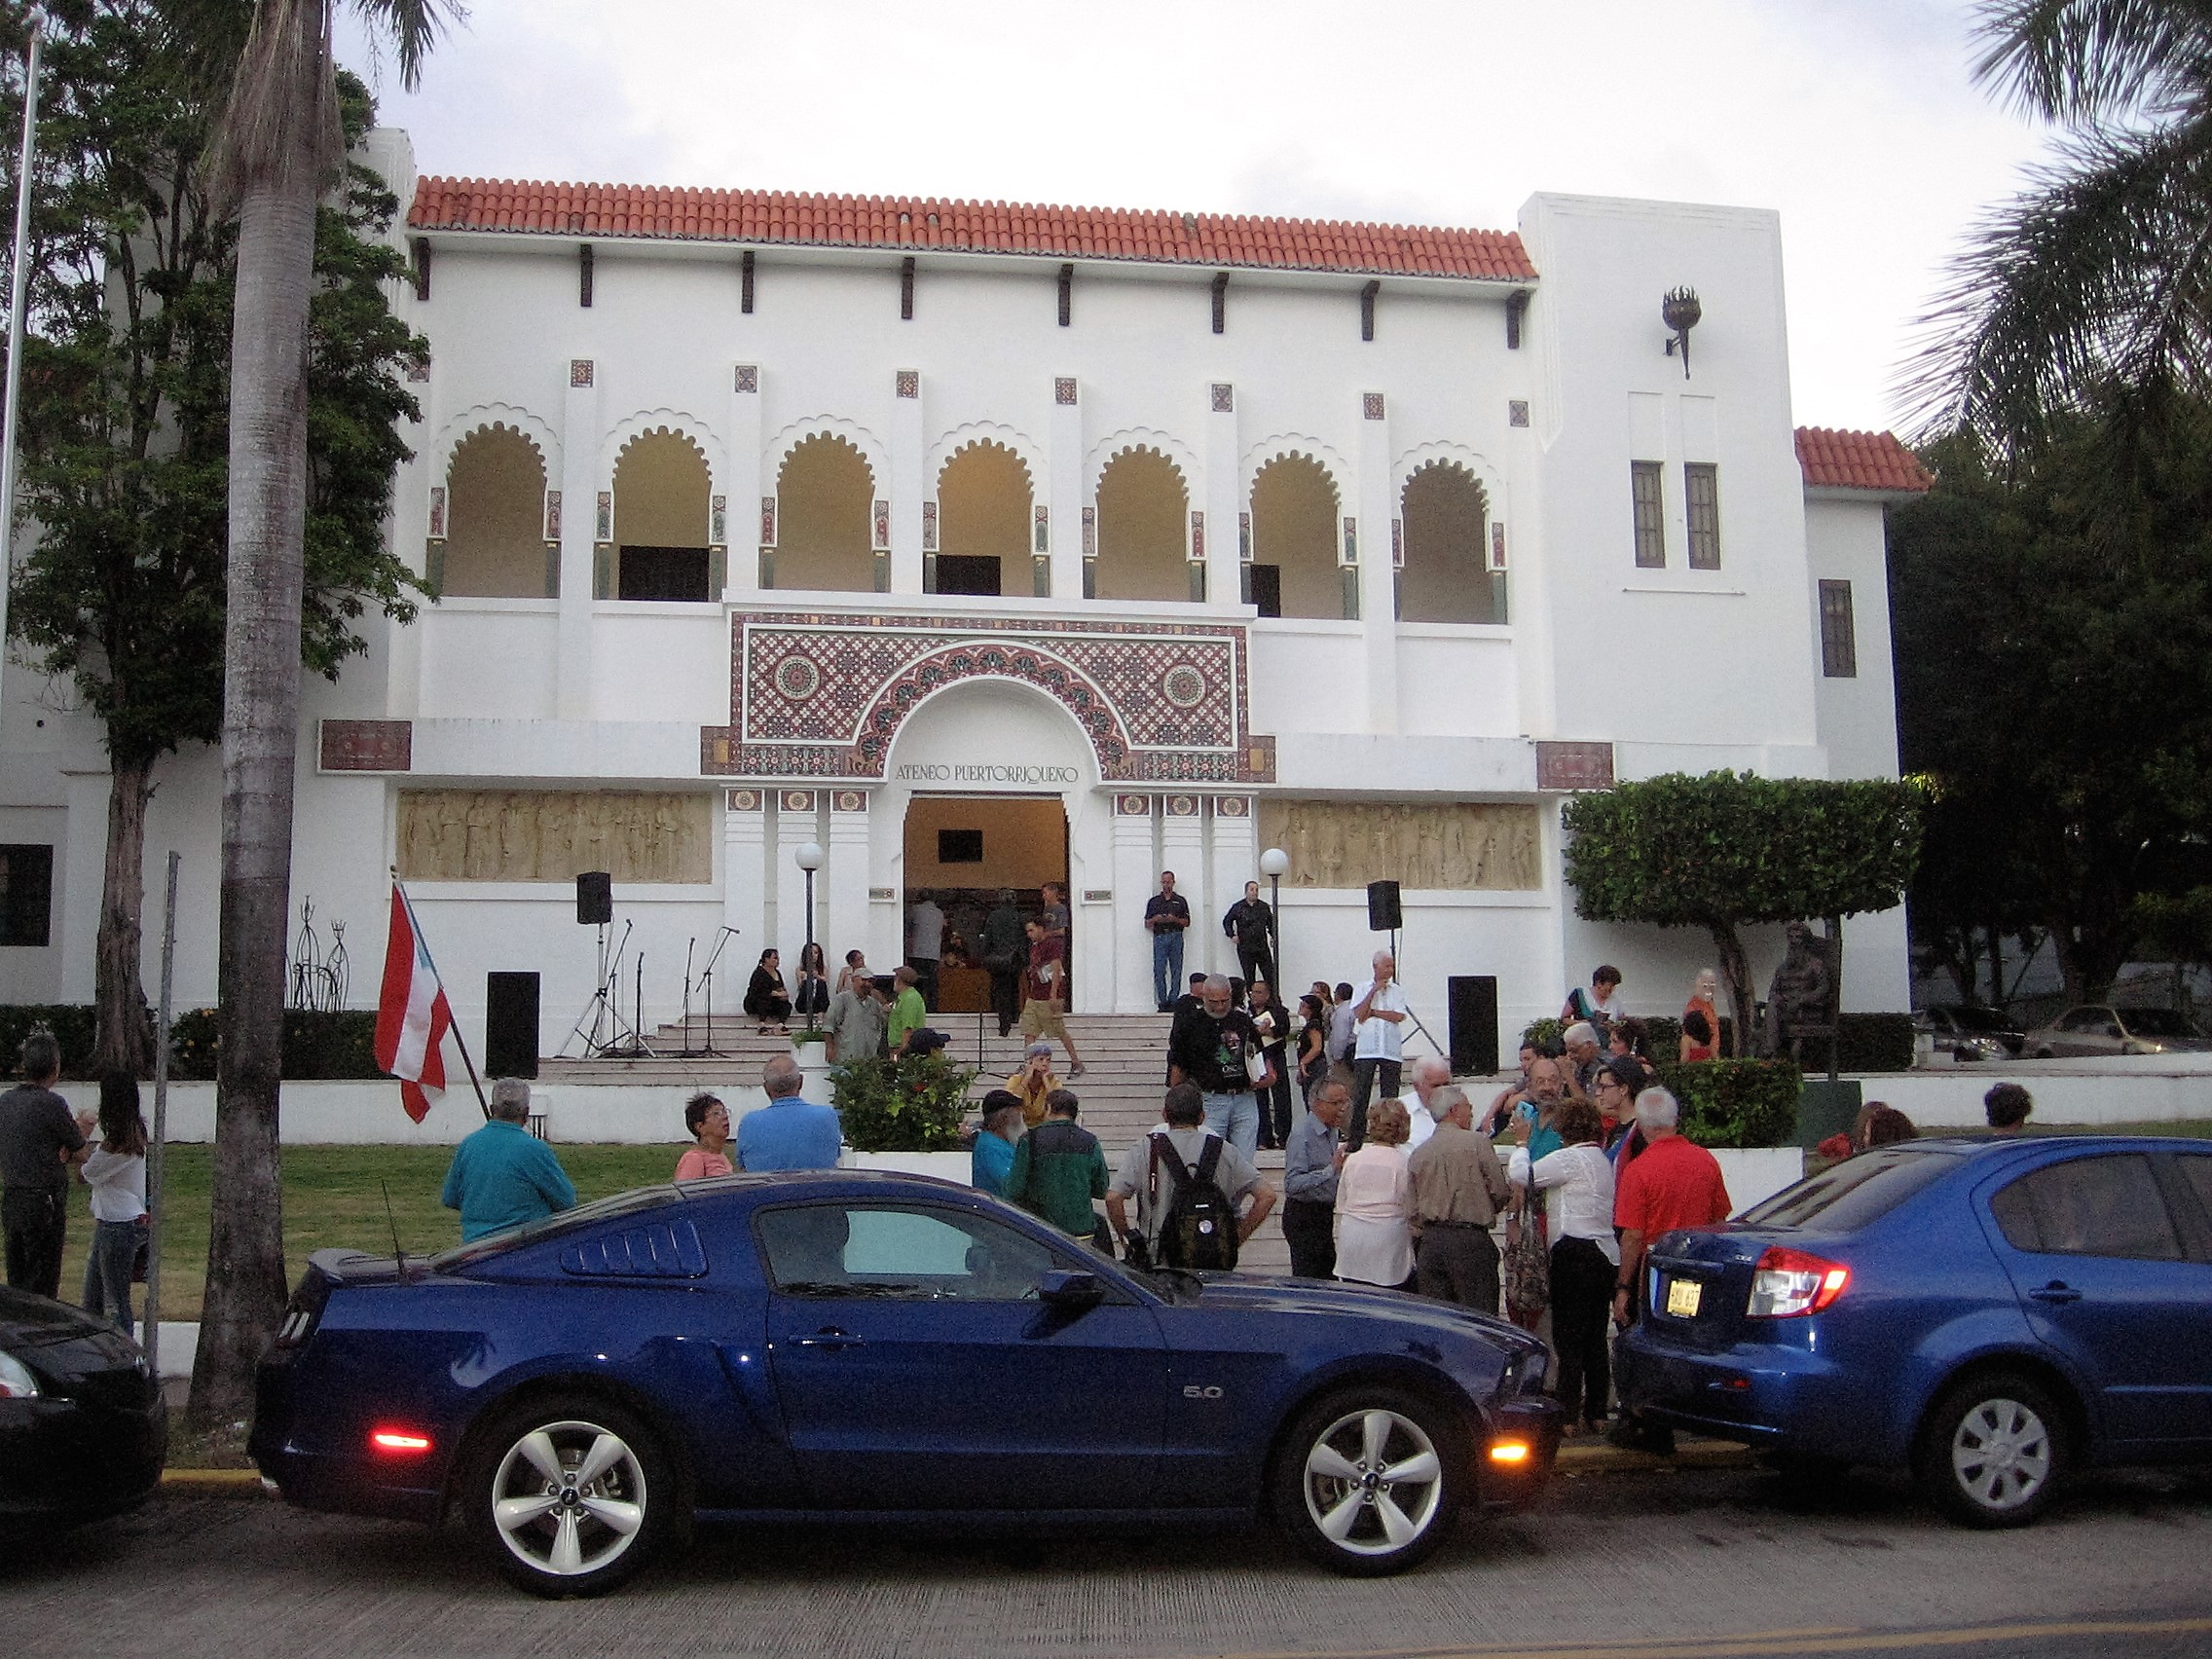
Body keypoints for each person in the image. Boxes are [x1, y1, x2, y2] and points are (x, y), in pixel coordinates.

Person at [1507, 1095, 1617, 1436]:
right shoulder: (1600, 1158)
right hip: (1605, 1252)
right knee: (1596, 1336)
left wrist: (1522, 1142)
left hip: (1574, 1250)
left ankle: (1568, 1414)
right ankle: (1597, 1411)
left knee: (1568, 1338)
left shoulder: (1568, 1159)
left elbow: (1521, 1175)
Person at [1104, 1083, 1275, 1265]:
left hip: (1160, 1258)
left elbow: (1113, 1197)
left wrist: (1128, 1241)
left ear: (1165, 1115)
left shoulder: (1146, 1148)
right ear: (1202, 1117)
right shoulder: (1224, 1150)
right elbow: (1267, 1196)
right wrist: (1236, 1239)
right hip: (1212, 1255)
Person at [1611, 1087, 1733, 1332]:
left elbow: (1633, 1236)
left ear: (1642, 1124)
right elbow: (1719, 1219)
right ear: (1675, 1119)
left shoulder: (1638, 1170)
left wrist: (1623, 1287)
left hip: (1654, 1272)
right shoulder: (1705, 1161)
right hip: (1698, 1267)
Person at [1406, 1086, 1512, 1312]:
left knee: (1439, 1318)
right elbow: (1500, 1189)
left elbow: (1411, 1208)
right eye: (1468, 1107)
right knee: (1480, 1316)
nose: (1471, 1112)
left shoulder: (1419, 1153)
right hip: (1470, 1239)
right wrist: (1485, 1207)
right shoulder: (1477, 1143)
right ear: (1454, 1110)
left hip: (1431, 1243)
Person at [2, 1030, 90, 1297]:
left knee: (19, 1280)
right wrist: (84, 1126)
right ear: (55, 1067)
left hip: (13, 1200)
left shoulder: (6, 1102)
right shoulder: (51, 1104)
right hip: (43, 1203)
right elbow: (81, 1151)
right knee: (43, 1283)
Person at [440, 1078, 576, 1242]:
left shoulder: (469, 1144)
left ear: (492, 1109)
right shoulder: (534, 1149)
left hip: (474, 1247)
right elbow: (566, 1201)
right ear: (526, 1113)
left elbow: (450, 1198)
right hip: (523, 1247)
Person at [1166, 974, 1272, 1160]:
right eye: (1214, 1001)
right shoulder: (1191, 1024)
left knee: (1244, 1159)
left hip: (1244, 1096)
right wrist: (1174, 1098)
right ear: (1204, 997)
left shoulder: (1242, 1020)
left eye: (1225, 1000)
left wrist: (1266, 1075)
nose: (1220, 1006)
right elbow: (1178, 1064)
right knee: (1209, 1158)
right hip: (1211, 1098)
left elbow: (1256, 1052)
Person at [79, 1072, 148, 1333]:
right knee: (93, 1299)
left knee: (115, 1302)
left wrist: (83, 1132)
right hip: (113, 1222)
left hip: (118, 1224)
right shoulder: (133, 1134)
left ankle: (125, 1354)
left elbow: (85, 1173)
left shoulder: (119, 1144)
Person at [1005, 1088, 1111, 1250]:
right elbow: (1101, 1188)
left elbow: (1014, 1188)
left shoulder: (1030, 1140)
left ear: (1048, 1108)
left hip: (1042, 1229)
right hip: (1081, 1229)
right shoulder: (1090, 1141)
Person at [1335, 1097, 1416, 1289]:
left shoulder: (1353, 1160)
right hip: (1388, 1236)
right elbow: (1409, 1205)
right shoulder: (1403, 1163)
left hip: (1353, 1234)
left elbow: (1342, 1202)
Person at [1282, 1077, 1348, 1279]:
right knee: (1309, 1279)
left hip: (1323, 1213)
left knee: (1328, 1274)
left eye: (1345, 1102)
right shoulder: (1302, 1135)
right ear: (1317, 1103)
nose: (1343, 1108)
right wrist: (1330, 1170)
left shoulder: (1332, 1131)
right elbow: (1292, 1184)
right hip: (1304, 1215)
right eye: (1336, 1103)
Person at [737, 1053, 843, 1171]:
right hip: (818, 1188)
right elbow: (834, 1157)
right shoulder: (827, 1116)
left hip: (767, 1189)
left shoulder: (749, 1122)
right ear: (801, 1082)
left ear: (766, 1088)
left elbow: (743, 1166)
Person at [1346, 951, 1410, 1147]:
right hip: (1367, 1050)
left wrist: (1374, 1012)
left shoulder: (1396, 990)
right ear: (1376, 967)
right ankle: (1355, 1139)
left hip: (1390, 1049)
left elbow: (1398, 1015)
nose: (1390, 970)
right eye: (1386, 966)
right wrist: (1373, 991)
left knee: (1390, 1096)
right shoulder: (1362, 988)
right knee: (1361, 1095)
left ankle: (1391, 1137)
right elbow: (1359, 1013)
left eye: (1392, 966)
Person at [1018, 918, 1084, 1076]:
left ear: (1041, 928)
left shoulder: (1052, 944)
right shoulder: (1034, 947)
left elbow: (1056, 970)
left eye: (1032, 930)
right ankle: (1029, 1063)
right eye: (1027, 931)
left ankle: (1076, 1061)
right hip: (1035, 995)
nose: (1029, 934)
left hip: (1049, 995)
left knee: (1058, 1030)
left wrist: (1053, 995)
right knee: (1029, 1030)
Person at [1764, 921, 1832, 1058]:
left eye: (1798, 937)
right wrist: (1777, 998)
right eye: (1791, 937)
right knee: (1772, 1005)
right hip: (1784, 1011)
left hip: (1806, 1012)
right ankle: (1769, 1050)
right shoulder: (1783, 967)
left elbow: (1823, 988)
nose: (1794, 941)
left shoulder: (1815, 965)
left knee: (1772, 1013)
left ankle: (1769, 1051)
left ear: (1805, 941)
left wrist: (1802, 999)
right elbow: (1773, 991)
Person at [1246, 979, 1293, 1151]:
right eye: (1252, 992)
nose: (1254, 996)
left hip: (1274, 1055)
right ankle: (1263, 1137)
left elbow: (1284, 1030)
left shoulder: (1278, 1011)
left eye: (1258, 992)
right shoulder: (1247, 1012)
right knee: (1260, 1098)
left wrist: (1268, 1031)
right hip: (1257, 1056)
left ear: (1266, 995)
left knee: (1281, 1097)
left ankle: (1284, 1136)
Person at [980, 889, 1027, 1038]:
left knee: (1001, 990)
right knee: (1013, 987)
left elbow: (987, 939)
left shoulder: (993, 917)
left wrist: (985, 956)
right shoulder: (1019, 917)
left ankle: (1004, 1023)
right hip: (1014, 959)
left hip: (998, 959)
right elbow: (1024, 939)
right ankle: (1014, 1015)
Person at [1144, 871, 1192, 1013]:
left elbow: (1187, 922)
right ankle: (1163, 1001)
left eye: (1169, 882)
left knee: (1176, 969)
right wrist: (1156, 919)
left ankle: (1174, 1000)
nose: (1166, 885)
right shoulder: (1154, 901)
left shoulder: (1180, 901)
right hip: (1160, 937)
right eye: (1164, 882)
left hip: (1176, 936)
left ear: (1173, 882)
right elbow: (1147, 923)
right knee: (1159, 970)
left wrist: (1174, 919)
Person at [1221, 879, 1276, 992]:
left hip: (1261, 947)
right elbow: (1227, 921)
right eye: (1252, 889)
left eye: (1256, 890)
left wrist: (1273, 937)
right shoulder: (1238, 907)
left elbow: (1271, 924)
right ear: (1246, 891)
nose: (1254, 892)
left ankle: (1273, 1001)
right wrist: (1232, 935)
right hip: (1245, 948)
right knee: (1249, 976)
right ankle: (1252, 1001)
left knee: (1269, 975)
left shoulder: (1263, 907)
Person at [824, 970, 888, 1064]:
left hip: (868, 1061)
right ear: (853, 980)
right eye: (863, 980)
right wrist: (830, 1047)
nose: (867, 984)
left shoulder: (874, 1004)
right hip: (845, 1059)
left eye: (870, 981)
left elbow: (882, 1025)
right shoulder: (842, 999)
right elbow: (828, 1025)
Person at [971, 1095, 1024, 1196]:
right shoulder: (991, 1147)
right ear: (1004, 1119)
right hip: (998, 1208)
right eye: (1018, 1115)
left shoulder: (1001, 1142)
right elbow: (1011, 1183)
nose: (1021, 1122)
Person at [675, 1091, 734, 1180]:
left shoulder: (720, 1155)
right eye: (716, 1114)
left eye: (724, 1111)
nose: (724, 1117)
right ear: (700, 1126)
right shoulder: (694, 1159)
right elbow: (687, 1192)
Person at [1401, 1054, 1455, 1151]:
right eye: (1436, 1086)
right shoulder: (1400, 1110)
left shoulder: (1459, 1107)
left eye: (1446, 1084)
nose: (1442, 1090)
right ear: (1417, 1086)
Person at [1006, 1041, 1062, 1128]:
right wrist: (1027, 1077)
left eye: (1048, 1060)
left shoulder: (1053, 1081)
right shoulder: (1016, 1080)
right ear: (1029, 1062)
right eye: (1041, 1059)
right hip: (1018, 1127)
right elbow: (1011, 1102)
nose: (1045, 1064)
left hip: (1043, 1128)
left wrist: (1046, 1082)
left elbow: (1058, 1106)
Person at [906, 892, 945, 1010]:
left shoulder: (915, 910)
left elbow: (908, 927)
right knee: (932, 983)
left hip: (917, 952)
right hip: (933, 953)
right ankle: (932, 1007)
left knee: (916, 981)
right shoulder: (940, 913)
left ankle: (916, 1006)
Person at [1563, 965, 1623, 1040]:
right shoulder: (1579, 994)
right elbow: (1564, 1019)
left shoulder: (1615, 1000)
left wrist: (1611, 1025)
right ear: (1599, 983)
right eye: (1610, 986)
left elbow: (1621, 1021)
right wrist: (1582, 1023)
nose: (1612, 989)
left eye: (1614, 986)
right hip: (1584, 1041)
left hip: (1608, 1044)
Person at [1295, 993, 1331, 1114]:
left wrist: (1303, 1062)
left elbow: (1317, 1047)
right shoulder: (1308, 1025)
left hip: (1315, 1066)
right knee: (1309, 1099)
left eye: (1304, 1005)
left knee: (1314, 1099)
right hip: (1310, 1066)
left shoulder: (1313, 1025)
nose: (1301, 1007)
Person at [744, 948, 793, 1033]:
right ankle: (761, 1024)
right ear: (766, 959)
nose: (777, 960)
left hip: (773, 1001)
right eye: (775, 958)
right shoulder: (759, 973)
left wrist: (781, 994)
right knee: (763, 1000)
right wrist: (776, 994)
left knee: (786, 1005)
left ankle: (780, 1025)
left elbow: (781, 988)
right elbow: (758, 991)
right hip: (756, 1002)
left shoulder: (777, 973)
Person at [887, 965, 928, 1054]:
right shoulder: (902, 997)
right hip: (896, 1046)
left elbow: (908, 1027)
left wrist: (903, 1050)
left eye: (895, 978)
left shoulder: (910, 998)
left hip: (902, 1048)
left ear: (899, 980)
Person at [1683, 968, 1722, 1059]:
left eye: (1712, 983)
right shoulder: (1693, 1008)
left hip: (1713, 1051)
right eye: (1705, 984)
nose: (1710, 987)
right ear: (1698, 985)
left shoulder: (1710, 1003)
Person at [1562, 1020, 1605, 1097]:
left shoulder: (1604, 1068)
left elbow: (1589, 1106)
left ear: (1588, 1046)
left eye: (1574, 1051)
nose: (1570, 1056)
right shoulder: (1581, 1064)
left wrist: (1569, 1077)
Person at [792, 940, 831, 1022]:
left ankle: (820, 1015)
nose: (813, 955)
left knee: (821, 983)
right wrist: (806, 977)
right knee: (807, 983)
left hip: (819, 1001)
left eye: (816, 953)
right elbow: (800, 987)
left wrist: (817, 976)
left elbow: (825, 983)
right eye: (810, 953)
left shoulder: (824, 969)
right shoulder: (800, 969)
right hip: (804, 1002)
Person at [1326, 979, 1358, 1068]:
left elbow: (1340, 1035)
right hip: (1356, 1051)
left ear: (1338, 994)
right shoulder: (1355, 1008)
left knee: (1340, 1080)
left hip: (1346, 1054)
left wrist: (1337, 1056)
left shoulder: (1342, 1012)